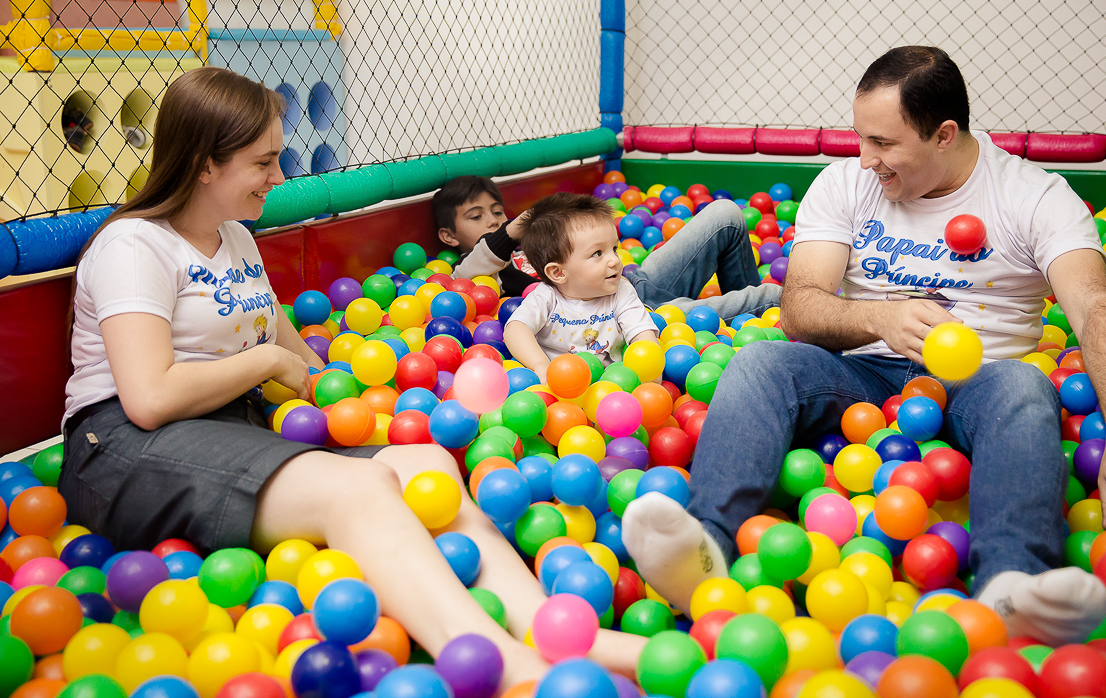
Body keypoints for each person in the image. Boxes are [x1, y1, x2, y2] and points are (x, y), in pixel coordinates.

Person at [58, 67, 643, 688]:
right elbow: (148, 398)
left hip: (234, 428)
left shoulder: (234, 240)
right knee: (360, 488)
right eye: (264, 162)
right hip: (125, 448)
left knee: (428, 468)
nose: (279, 178)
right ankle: (503, 669)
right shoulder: (134, 246)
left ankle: (549, 629)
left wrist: (360, 402)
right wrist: (270, 364)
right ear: (205, 163)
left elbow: (294, 357)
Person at [622, 46, 1106, 646]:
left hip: (981, 382)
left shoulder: (1034, 197)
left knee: (1025, 387)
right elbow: (800, 306)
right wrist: (880, 320)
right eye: (861, 138)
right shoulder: (845, 185)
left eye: (883, 144)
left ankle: (1013, 583)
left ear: (943, 135)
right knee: (759, 362)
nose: (865, 160)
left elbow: (1097, 307)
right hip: (864, 375)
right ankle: (706, 552)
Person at [433, 175, 781, 320]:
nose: (493, 221)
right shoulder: (478, 273)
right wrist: (512, 229)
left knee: (726, 213)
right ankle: (775, 310)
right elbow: (471, 269)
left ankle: (746, 328)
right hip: (631, 316)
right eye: (477, 217)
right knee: (772, 295)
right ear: (449, 237)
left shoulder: (534, 246)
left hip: (634, 281)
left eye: (497, 212)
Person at [502, 193, 659, 382]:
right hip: (560, 385)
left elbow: (643, 335)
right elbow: (515, 329)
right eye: (597, 253)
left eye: (614, 249)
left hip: (613, 383)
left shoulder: (621, 292)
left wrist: (649, 375)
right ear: (558, 273)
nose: (614, 260)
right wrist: (541, 366)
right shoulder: (546, 297)